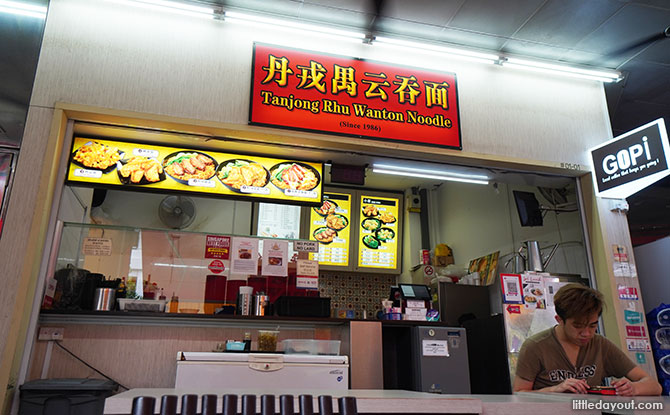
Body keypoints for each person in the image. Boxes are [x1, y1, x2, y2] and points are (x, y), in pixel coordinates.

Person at [513, 284, 661, 395]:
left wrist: (632, 388)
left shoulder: (600, 344)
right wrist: (555, 389)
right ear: (559, 320)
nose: (586, 333)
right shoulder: (535, 346)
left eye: (592, 325)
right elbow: (519, 394)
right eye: (578, 326)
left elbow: (654, 386)